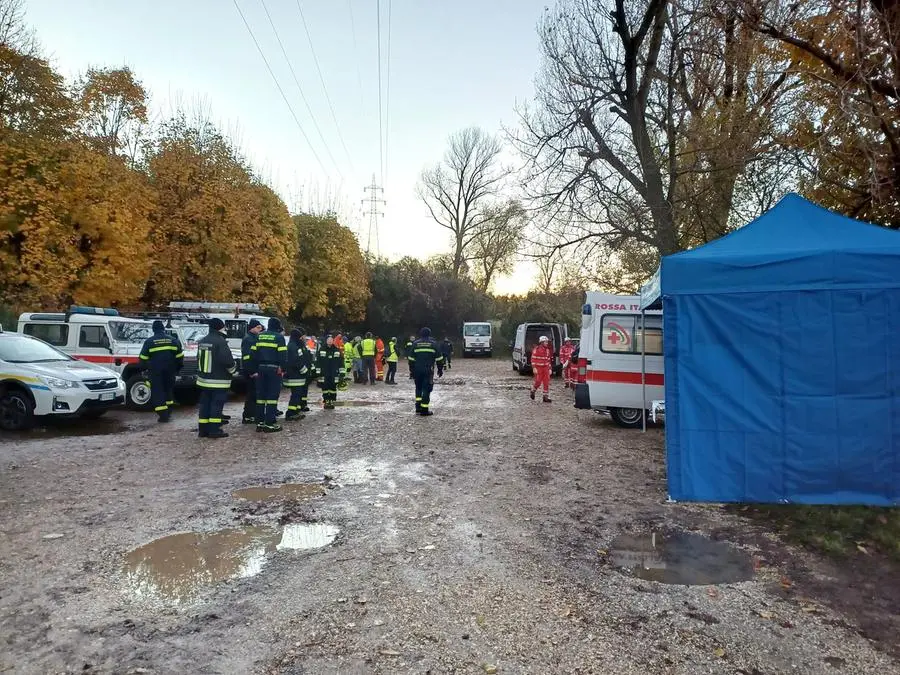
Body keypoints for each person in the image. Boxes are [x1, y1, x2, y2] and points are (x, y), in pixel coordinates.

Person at [197, 318, 236, 438]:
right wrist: (233, 370)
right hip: (218, 381)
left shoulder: (202, 341)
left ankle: (203, 430)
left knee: (205, 405)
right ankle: (214, 430)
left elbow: (198, 358)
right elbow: (227, 361)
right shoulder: (220, 341)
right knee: (216, 406)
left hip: (204, 380)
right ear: (220, 327)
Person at [139, 320, 184, 423]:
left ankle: (163, 415)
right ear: (163, 328)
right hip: (170, 371)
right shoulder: (173, 340)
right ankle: (168, 412)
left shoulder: (149, 342)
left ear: (153, 330)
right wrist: (177, 369)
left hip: (155, 372)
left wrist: (144, 370)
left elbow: (143, 358)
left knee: (158, 392)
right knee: (168, 390)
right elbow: (180, 357)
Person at [249, 317, 287, 432]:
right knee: (272, 396)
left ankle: (260, 422)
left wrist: (254, 369)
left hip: (260, 369)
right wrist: (283, 368)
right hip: (274, 370)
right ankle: (269, 423)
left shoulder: (259, 336)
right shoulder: (279, 337)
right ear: (277, 326)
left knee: (261, 396)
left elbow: (252, 354)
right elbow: (282, 355)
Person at [410, 327, 444, 416]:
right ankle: (424, 410)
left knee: (418, 388)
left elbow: (411, 359)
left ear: (420, 334)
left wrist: (412, 370)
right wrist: (440, 370)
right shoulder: (433, 344)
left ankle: (418, 408)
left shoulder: (415, 344)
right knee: (426, 388)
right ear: (429, 334)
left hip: (417, 369)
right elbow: (439, 359)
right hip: (428, 370)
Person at [284, 328, 312, 421]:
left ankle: (294, 412)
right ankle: (291, 413)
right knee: (296, 395)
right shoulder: (294, 347)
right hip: (295, 376)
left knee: (296, 395)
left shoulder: (293, 345)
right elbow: (297, 361)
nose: (301, 339)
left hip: (295, 376)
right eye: (300, 337)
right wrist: (305, 371)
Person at [240, 319, 264, 424]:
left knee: (254, 394)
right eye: (258, 327)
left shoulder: (253, 338)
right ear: (252, 328)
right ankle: (248, 416)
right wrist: (252, 371)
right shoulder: (249, 339)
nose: (260, 329)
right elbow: (247, 357)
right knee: (251, 394)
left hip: (254, 370)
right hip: (251, 371)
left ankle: (252, 414)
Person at [317, 334, 345, 409]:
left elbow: (341, 362)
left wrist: (342, 372)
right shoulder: (321, 349)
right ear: (326, 341)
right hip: (324, 372)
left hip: (334, 373)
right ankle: (326, 401)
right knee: (325, 387)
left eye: (331, 340)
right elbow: (318, 362)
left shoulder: (337, 350)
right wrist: (317, 372)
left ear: (333, 341)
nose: (330, 341)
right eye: (328, 339)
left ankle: (332, 401)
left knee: (333, 387)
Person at [530, 335, 553, 403]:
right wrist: (534, 368)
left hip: (545, 368)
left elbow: (548, 360)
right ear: (541, 342)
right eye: (545, 342)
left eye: (547, 342)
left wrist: (550, 368)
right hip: (538, 368)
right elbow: (533, 359)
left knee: (546, 382)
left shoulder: (547, 350)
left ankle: (545, 397)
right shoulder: (536, 349)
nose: (547, 343)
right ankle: (533, 390)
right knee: (538, 381)